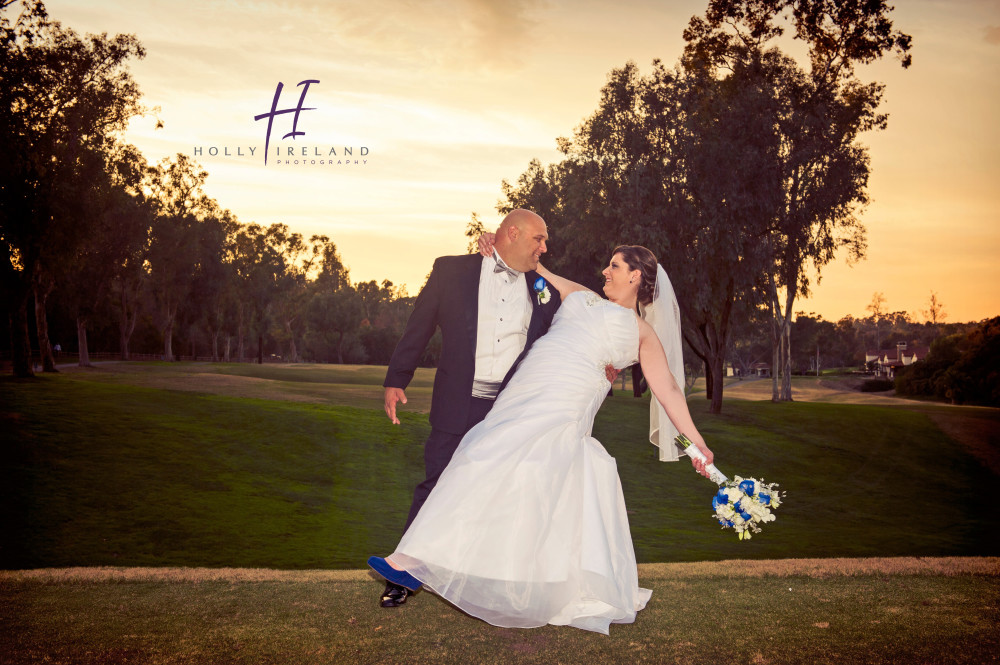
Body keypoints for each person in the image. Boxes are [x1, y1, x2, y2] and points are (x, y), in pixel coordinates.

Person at [368, 244, 714, 634]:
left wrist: (696, 443)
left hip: (565, 403)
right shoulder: (581, 296)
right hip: (523, 392)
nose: (605, 270)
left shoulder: (642, 333)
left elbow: (667, 389)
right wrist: (495, 242)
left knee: (511, 470)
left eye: (614, 266)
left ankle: (411, 563)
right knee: (477, 460)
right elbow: (535, 264)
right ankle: (423, 561)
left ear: (635, 276)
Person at [377, 209, 562, 608]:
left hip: (509, 410)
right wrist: (396, 380)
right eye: (539, 239)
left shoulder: (545, 287)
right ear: (511, 233)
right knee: (436, 485)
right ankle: (404, 577)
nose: (544, 248)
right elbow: (419, 327)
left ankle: (493, 584)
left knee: (504, 495)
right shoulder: (450, 271)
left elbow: (561, 337)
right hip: (456, 402)